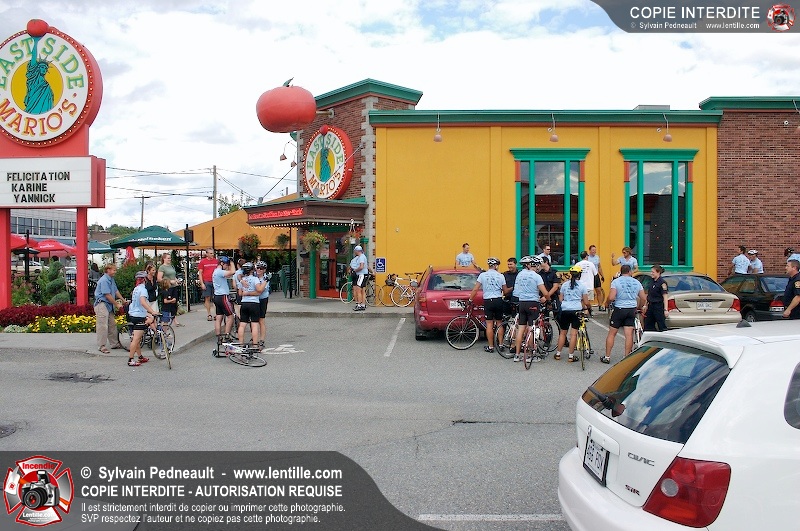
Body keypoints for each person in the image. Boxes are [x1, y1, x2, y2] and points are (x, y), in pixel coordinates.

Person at [603, 264, 646, 364]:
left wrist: (607, 303)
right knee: (629, 334)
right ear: (630, 271)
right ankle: (626, 357)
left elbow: (611, 297)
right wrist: (640, 306)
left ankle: (607, 356)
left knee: (612, 333)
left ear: (621, 271)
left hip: (620, 309)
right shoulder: (636, 282)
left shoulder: (616, 282)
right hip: (631, 309)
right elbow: (643, 298)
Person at [512, 255, 550, 363]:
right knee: (531, 328)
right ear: (536, 266)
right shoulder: (536, 276)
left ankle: (517, 355)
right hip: (533, 303)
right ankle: (530, 355)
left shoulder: (520, 274)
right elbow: (545, 292)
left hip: (522, 302)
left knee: (521, 329)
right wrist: (548, 299)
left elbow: (517, 290)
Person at [468, 257, 507, 353]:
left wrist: (470, 299)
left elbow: (475, 289)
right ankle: (501, 345)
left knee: (489, 324)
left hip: (488, 300)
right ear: (496, 266)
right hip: (498, 300)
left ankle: (491, 346)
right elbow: (505, 290)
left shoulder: (483, 275)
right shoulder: (501, 276)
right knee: (499, 322)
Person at [554, 265, 590, 362]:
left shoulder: (565, 285)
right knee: (573, 334)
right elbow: (586, 302)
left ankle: (558, 354)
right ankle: (571, 356)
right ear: (579, 275)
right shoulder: (582, 286)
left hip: (565, 310)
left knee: (563, 333)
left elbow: (560, 299)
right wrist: (588, 308)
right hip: (576, 310)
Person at [93, 264, 126, 354]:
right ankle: (101, 346)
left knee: (112, 324)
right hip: (102, 304)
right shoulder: (104, 280)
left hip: (108, 304)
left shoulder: (111, 279)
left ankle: (114, 343)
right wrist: (116, 304)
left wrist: (123, 300)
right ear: (108, 270)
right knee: (102, 326)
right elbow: (107, 295)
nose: (115, 272)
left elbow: (115, 291)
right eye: (114, 270)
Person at [127, 271, 157, 367]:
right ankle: (131, 359)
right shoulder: (143, 290)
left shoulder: (136, 288)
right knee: (136, 339)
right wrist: (152, 311)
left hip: (133, 314)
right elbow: (143, 302)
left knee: (137, 337)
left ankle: (140, 357)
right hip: (139, 316)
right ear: (144, 279)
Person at [237, 262, 266, 345]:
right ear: (252, 270)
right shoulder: (255, 279)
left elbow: (240, 293)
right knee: (254, 324)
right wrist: (265, 282)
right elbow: (259, 289)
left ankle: (241, 343)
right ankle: (255, 344)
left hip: (244, 303)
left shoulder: (242, 280)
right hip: (254, 303)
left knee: (242, 324)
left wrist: (246, 292)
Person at [213, 256, 237, 338]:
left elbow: (228, 274)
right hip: (223, 296)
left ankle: (218, 336)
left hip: (217, 296)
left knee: (219, 317)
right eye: (226, 265)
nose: (227, 266)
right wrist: (232, 262)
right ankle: (227, 336)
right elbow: (233, 272)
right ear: (222, 263)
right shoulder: (220, 272)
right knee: (230, 317)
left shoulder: (215, 272)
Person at [643, 265, 669, 332]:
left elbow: (665, 296)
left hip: (658, 306)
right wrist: (645, 305)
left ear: (658, 272)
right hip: (650, 306)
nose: (651, 273)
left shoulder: (662, 283)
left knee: (661, 325)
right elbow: (649, 294)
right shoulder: (652, 281)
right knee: (648, 325)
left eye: (653, 272)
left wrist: (665, 309)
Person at [198, 248, 218, 321]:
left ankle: (216, 314)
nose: (212, 254)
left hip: (215, 281)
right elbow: (200, 273)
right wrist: (202, 283)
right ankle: (209, 314)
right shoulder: (203, 262)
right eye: (211, 253)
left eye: (213, 253)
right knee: (207, 298)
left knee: (216, 298)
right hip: (207, 281)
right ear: (207, 254)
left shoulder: (216, 261)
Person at [255, 261, 270, 348]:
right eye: (257, 268)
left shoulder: (266, 278)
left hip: (262, 299)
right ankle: (255, 338)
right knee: (254, 320)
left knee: (261, 319)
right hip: (255, 300)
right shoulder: (254, 276)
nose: (259, 270)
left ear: (264, 270)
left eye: (261, 268)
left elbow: (261, 290)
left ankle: (262, 339)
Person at [587, 245, 606, 310]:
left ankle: (600, 305)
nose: (594, 251)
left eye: (595, 250)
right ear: (590, 250)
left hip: (596, 275)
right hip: (589, 276)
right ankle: (588, 306)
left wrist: (602, 275)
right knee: (588, 291)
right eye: (593, 250)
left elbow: (599, 267)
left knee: (598, 290)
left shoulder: (597, 257)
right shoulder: (587, 258)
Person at [350, 245, 368, 311]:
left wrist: (355, 270)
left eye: (355, 251)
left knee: (358, 289)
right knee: (363, 290)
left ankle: (359, 305)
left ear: (357, 251)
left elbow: (361, 266)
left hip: (361, 275)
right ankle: (363, 304)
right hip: (364, 274)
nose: (355, 252)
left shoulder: (361, 257)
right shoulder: (363, 256)